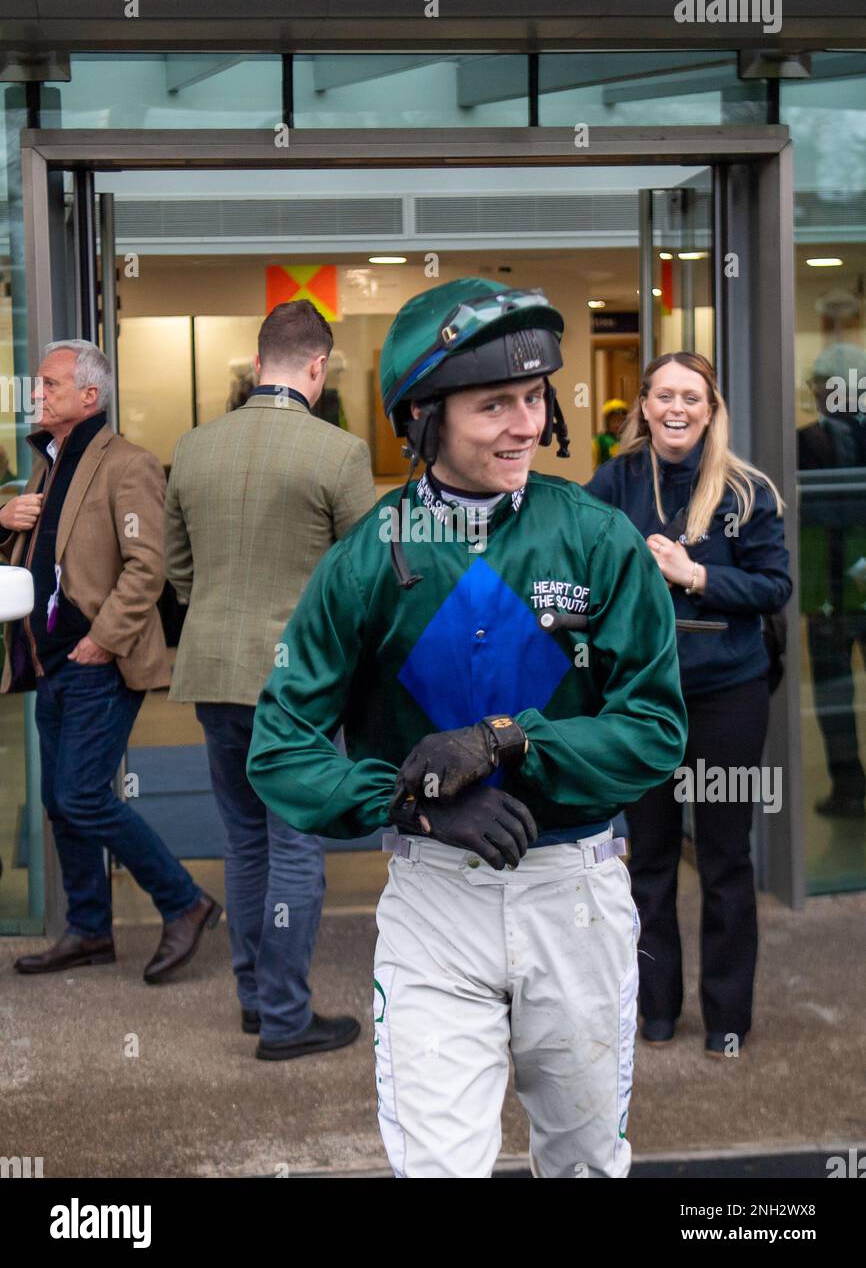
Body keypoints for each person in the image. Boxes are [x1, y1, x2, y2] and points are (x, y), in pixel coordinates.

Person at [248, 278, 687, 1177]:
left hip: (577, 891)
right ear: (423, 415)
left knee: (585, 1166)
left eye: (534, 398)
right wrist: (407, 806)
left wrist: (509, 740)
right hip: (433, 902)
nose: (525, 424)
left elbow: (653, 729)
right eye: (494, 405)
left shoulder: (599, 540)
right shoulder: (367, 557)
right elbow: (280, 745)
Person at [165, 300, 376, 1060]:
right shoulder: (339, 454)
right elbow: (369, 577)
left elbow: (177, 571)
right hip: (299, 684)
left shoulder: (192, 448)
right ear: (317, 368)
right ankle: (286, 1019)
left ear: (260, 364)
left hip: (215, 672)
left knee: (243, 843)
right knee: (295, 849)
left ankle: (256, 1000)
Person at [586, 351, 792, 1058]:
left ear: (711, 410)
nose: (677, 409)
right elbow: (579, 577)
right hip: (642, 699)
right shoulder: (612, 484)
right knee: (647, 857)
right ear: (642, 405)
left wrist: (696, 574)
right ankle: (658, 1010)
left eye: (691, 398)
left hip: (729, 695)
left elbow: (774, 587)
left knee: (727, 859)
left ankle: (728, 1017)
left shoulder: (745, 490)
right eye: (664, 395)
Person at [0, 341, 220, 982]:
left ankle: (184, 902)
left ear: (89, 397)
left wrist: (102, 638)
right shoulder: (48, 464)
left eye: (49, 385)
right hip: (50, 659)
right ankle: (91, 929)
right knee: (59, 800)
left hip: (99, 660)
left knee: (84, 795)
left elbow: (148, 568)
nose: (37, 394)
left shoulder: (129, 465)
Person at [798, 343, 866, 820]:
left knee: (833, 692)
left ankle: (848, 786)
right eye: (819, 385)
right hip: (825, 592)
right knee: (832, 693)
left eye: (825, 383)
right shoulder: (801, 443)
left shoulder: (806, 443)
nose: (820, 392)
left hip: (838, 587)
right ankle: (848, 785)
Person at [592, 397, 628, 470]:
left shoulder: (628, 439)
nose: (618, 424)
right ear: (607, 422)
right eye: (614, 421)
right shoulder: (600, 440)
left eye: (621, 420)